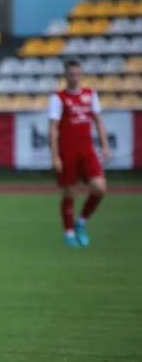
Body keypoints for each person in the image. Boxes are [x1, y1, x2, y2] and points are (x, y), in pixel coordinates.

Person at [49, 59, 111, 247]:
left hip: (87, 150)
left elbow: (98, 121)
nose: (75, 78)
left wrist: (105, 145)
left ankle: (81, 221)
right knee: (69, 192)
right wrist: (55, 155)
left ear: (81, 75)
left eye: (78, 74)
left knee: (100, 188)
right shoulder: (58, 98)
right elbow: (53, 128)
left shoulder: (90, 94)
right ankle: (68, 233)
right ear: (65, 76)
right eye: (71, 74)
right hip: (67, 150)